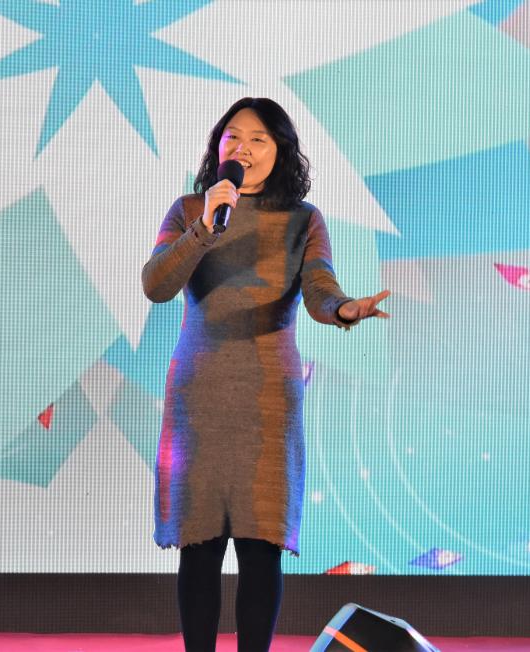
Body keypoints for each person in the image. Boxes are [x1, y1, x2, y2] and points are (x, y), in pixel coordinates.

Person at [141, 98, 389, 652]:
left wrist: (346, 309)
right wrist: (206, 226)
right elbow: (156, 285)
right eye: (233, 137)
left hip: (267, 396)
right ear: (217, 147)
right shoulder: (189, 209)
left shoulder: (303, 220)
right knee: (199, 546)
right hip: (199, 394)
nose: (244, 148)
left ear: (280, 152)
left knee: (261, 547)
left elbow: (320, 289)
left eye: (259, 139)